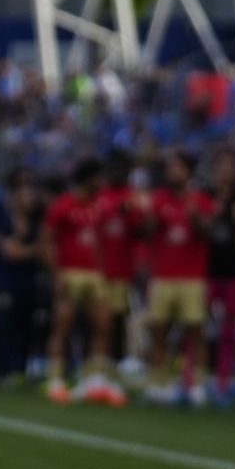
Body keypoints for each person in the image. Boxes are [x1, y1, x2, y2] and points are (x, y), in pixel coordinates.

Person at [143, 152, 217, 405]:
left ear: (188, 172)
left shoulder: (200, 200)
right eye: (171, 168)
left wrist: (196, 219)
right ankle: (159, 382)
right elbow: (146, 231)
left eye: (178, 167)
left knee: (196, 332)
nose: (173, 172)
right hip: (163, 276)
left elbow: (209, 232)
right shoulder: (159, 199)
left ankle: (196, 385)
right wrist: (151, 218)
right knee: (159, 331)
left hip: (192, 277)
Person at [42, 157, 109, 405]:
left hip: (94, 273)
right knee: (63, 325)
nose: (101, 182)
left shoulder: (98, 206)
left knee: (102, 325)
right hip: (70, 272)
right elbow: (47, 241)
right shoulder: (64, 205)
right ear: (88, 178)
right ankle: (55, 378)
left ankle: (94, 378)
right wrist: (56, 273)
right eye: (97, 177)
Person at [0, 168, 45, 386]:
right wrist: (33, 250)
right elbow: (11, 252)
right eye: (26, 195)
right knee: (6, 323)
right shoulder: (4, 219)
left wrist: (28, 250)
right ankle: (3, 369)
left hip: (29, 280)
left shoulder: (37, 222)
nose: (31, 199)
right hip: (8, 280)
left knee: (29, 324)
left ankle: (22, 368)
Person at [206, 150, 235, 404]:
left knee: (230, 330)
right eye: (222, 166)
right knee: (196, 326)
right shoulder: (205, 197)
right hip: (207, 270)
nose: (226, 171)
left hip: (234, 271)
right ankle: (193, 379)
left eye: (230, 166)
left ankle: (224, 381)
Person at [94, 150, 140, 390]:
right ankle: (97, 367)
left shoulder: (132, 198)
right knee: (100, 322)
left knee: (118, 320)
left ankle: (115, 366)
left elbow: (142, 231)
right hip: (99, 271)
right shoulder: (99, 197)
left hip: (122, 271)